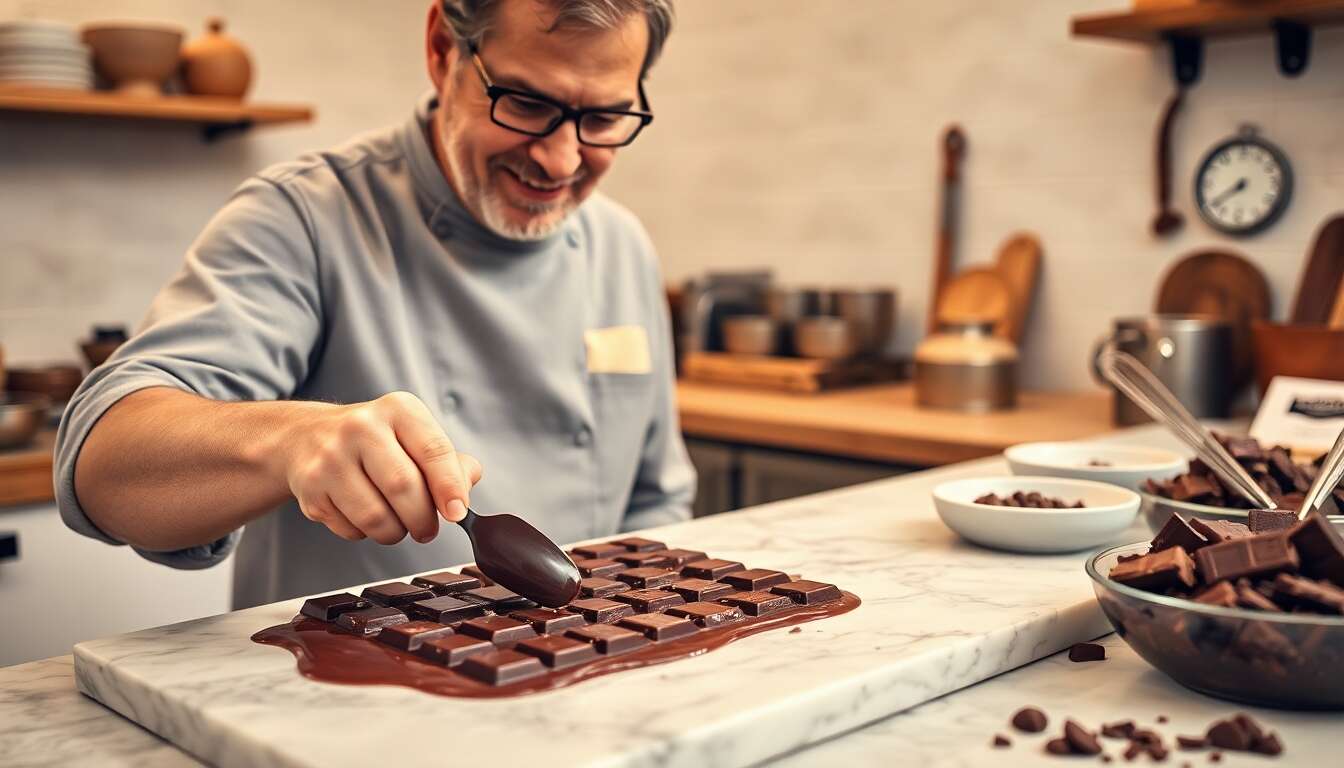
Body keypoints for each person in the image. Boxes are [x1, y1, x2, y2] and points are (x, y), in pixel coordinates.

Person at [53, 0, 693, 609]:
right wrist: (290, 440)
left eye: (604, 119)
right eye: (524, 103)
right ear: (442, 50)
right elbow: (102, 465)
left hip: (584, 684)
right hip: (344, 698)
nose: (560, 159)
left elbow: (657, 505)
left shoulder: (622, 245)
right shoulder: (306, 216)